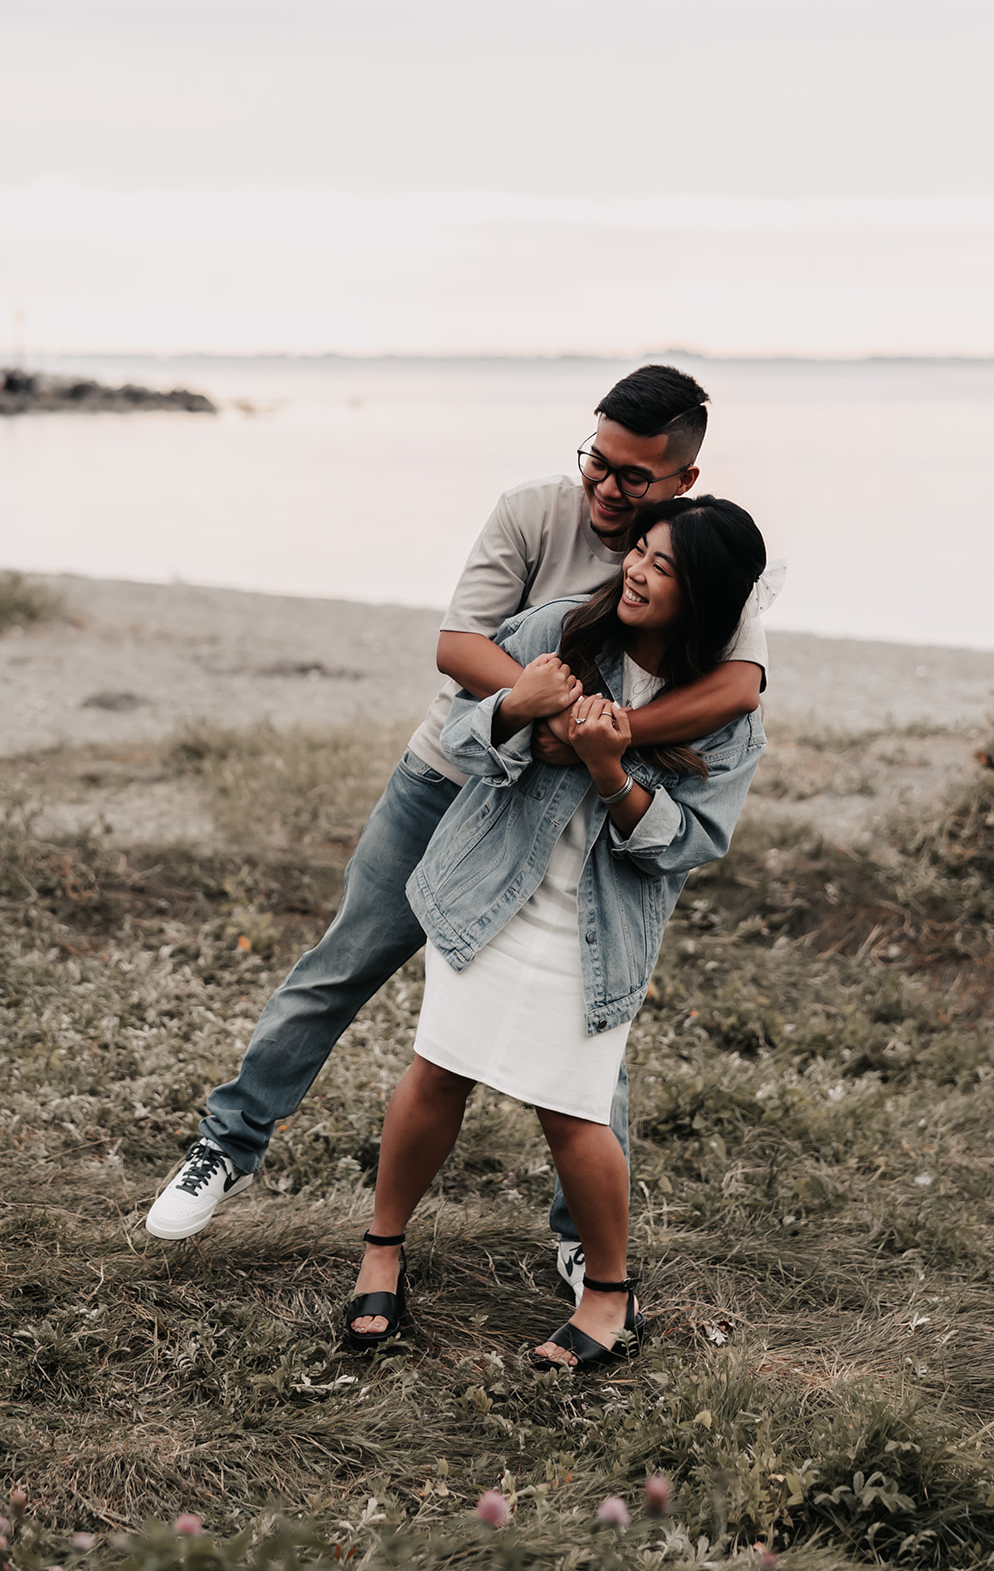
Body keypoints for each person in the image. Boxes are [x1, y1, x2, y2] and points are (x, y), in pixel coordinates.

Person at [145, 365, 769, 1299]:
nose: (605, 490)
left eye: (632, 479)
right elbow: (458, 645)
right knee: (343, 962)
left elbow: (739, 685)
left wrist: (607, 738)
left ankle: (581, 1239)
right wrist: (539, 713)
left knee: (592, 1007)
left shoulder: (694, 551)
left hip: (574, 811)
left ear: (677, 482)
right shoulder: (530, 512)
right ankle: (225, 1147)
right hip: (451, 778)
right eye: (595, 462)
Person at [343, 496, 767, 1370]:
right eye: (639, 552)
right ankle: (380, 1249)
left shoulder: (725, 717)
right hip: (490, 892)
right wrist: (511, 707)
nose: (639, 572)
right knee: (436, 1075)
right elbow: (461, 746)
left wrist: (613, 771)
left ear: (709, 597)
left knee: (572, 1111)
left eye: (666, 566)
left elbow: (690, 844)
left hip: (595, 928)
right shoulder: (557, 629)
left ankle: (608, 1299)